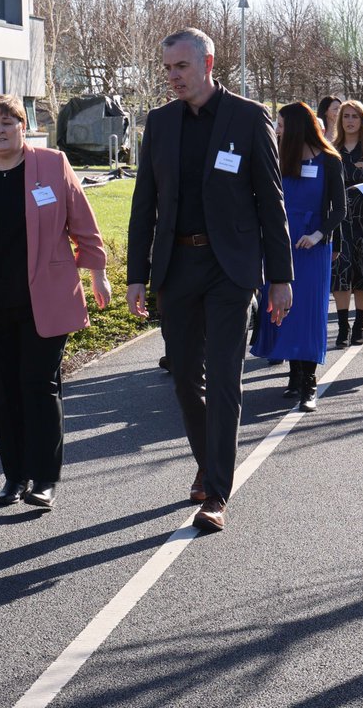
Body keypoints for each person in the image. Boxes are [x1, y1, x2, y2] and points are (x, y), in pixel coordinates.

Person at [127, 27, 292, 533]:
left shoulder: (248, 117)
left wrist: (280, 277)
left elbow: (271, 200)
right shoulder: (159, 123)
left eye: (181, 67)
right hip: (177, 269)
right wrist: (138, 274)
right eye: (168, 69)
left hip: (231, 269)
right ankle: (208, 461)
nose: (173, 77)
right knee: (184, 379)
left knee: (224, 378)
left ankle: (217, 491)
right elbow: (145, 204)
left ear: (209, 63)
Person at [0, 94, 111, 510]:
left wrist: (97, 272)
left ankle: (44, 479)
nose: (0, 130)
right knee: (5, 390)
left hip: (45, 296)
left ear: (23, 126)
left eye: (8, 122)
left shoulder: (51, 164)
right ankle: (14, 476)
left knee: (39, 384)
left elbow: (83, 223)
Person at [250, 102, 345, 412]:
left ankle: (309, 383)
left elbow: (339, 209)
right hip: (281, 244)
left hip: (312, 246)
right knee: (283, 310)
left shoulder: (330, 161)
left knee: (308, 313)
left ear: (296, 126)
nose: (277, 129)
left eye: (281, 123)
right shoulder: (279, 158)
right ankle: (294, 376)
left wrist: (319, 235)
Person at [330, 99, 363, 347]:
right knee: (339, 274)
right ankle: (343, 327)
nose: (350, 120)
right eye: (346, 116)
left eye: (355, 116)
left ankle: (359, 325)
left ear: (362, 120)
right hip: (338, 223)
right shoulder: (330, 149)